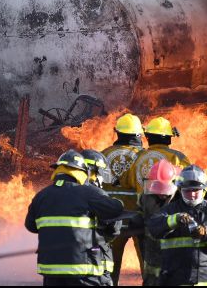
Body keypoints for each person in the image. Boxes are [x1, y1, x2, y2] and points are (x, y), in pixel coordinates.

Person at [25, 149, 124, 286]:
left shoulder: (41, 196)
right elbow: (115, 211)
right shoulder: (89, 193)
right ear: (82, 172)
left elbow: (30, 226)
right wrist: (118, 202)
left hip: (51, 272)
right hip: (83, 271)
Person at [147, 165, 207, 286]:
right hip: (175, 279)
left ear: (204, 191)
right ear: (180, 190)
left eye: (196, 190)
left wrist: (206, 233)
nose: (192, 195)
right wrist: (174, 220)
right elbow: (153, 227)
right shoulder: (170, 210)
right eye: (187, 191)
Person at [101, 113, 146, 285]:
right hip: (138, 221)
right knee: (149, 268)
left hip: (111, 222)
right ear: (138, 135)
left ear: (118, 133)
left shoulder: (103, 155)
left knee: (108, 269)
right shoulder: (143, 157)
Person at [133, 159, 179, 286]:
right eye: (157, 187)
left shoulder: (181, 197)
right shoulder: (145, 196)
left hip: (174, 254)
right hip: (152, 253)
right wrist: (137, 219)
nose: (161, 194)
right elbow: (141, 212)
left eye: (164, 188)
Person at [82, 149, 122, 284]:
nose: (102, 180)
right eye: (101, 174)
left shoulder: (61, 194)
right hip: (94, 264)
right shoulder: (97, 195)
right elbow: (113, 230)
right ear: (92, 172)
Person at [123, 116, 191, 194]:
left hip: (143, 204)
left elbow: (127, 183)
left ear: (148, 137)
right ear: (169, 138)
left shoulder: (137, 157)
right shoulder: (178, 158)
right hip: (170, 204)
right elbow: (188, 183)